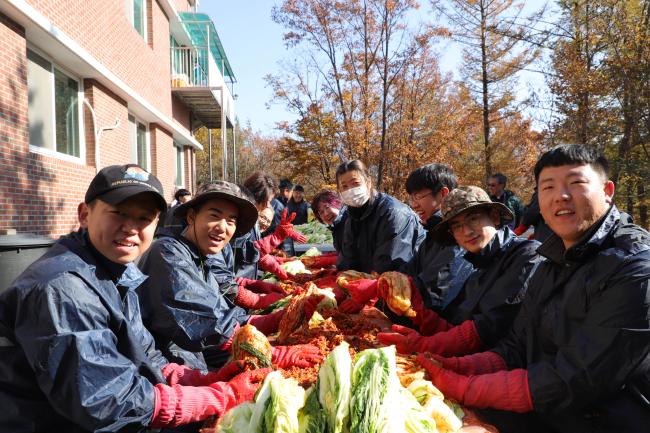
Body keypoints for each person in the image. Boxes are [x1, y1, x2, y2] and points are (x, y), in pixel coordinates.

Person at [0, 164, 269, 431]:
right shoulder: (63, 288)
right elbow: (107, 398)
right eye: (118, 213)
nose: (130, 227)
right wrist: (219, 396)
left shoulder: (115, 271)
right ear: (84, 214)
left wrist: (202, 379)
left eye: (144, 218)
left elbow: (146, 355)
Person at [417, 145, 650, 433]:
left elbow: (576, 377)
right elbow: (516, 346)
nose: (560, 196)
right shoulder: (553, 259)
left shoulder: (636, 268)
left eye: (576, 183)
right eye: (547, 187)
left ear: (607, 190)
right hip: (547, 409)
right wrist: (453, 366)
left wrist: (464, 386)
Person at [137, 181, 321, 372]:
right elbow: (208, 322)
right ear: (191, 216)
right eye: (214, 216)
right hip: (166, 367)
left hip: (192, 356)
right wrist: (269, 346)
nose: (222, 227)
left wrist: (281, 317)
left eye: (231, 221)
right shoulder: (168, 253)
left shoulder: (201, 256)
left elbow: (221, 311)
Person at [377, 186, 540, 356]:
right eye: (457, 226)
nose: (467, 231)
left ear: (494, 217)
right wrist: (419, 312)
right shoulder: (476, 266)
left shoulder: (526, 256)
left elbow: (487, 329)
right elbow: (454, 327)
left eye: (474, 219)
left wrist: (424, 345)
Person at [336, 159, 425, 273]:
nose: (351, 190)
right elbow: (348, 258)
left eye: (355, 183)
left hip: (400, 282)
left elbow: (389, 266)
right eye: (344, 186)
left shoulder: (393, 213)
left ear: (368, 183)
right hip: (370, 280)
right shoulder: (351, 216)